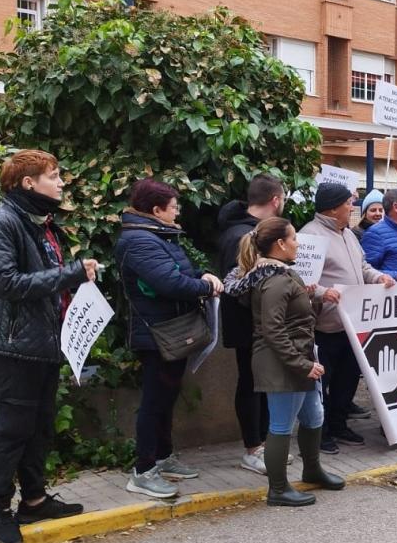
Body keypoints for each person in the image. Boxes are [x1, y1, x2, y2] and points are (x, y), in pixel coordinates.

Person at [0, 150, 97, 543]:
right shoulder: (1, 222)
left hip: (43, 342)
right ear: (29, 183)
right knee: (12, 428)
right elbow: (5, 282)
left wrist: (74, 283)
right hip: (14, 346)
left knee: (40, 424)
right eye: (54, 176)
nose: (61, 183)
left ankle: (34, 500)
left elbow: (42, 279)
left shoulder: (40, 223)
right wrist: (71, 273)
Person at [116, 179, 224, 499]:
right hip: (156, 333)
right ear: (156, 210)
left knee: (166, 398)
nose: (177, 212)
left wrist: (202, 274)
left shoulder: (159, 235)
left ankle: (162, 457)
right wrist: (206, 287)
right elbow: (169, 282)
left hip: (171, 330)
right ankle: (143, 470)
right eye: (174, 207)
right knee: (154, 401)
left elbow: (182, 271)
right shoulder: (139, 240)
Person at [234, 217, 345, 506]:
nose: (298, 243)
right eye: (294, 238)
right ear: (280, 244)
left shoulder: (281, 274)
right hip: (282, 363)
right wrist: (303, 364)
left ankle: (312, 469)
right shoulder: (274, 280)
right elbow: (272, 330)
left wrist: (311, 300)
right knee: (281, 426)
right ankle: (278, 488)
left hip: (295, 359)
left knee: (313, 416)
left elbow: (291, 318)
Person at [299, 184, 397, 452]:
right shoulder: (309, 236)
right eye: (347, 203)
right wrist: (322, 293)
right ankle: (319, 433)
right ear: (332, 208)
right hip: (324, 325)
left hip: (352, 323)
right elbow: (300, 280)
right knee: (324, 382)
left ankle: (339, 423)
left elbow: (363, 266)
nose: (351, 208)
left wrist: (378, 277)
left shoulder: (349, 236)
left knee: (348, 379)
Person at [215, 174, 284, 475]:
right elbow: (238, 284)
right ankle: (252, 448)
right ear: (275, 200)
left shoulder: (251, 232)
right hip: (249, 324)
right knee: (251, 383)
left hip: (259, 322)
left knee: (262, 383)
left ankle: (263, 444)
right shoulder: (241, 237)